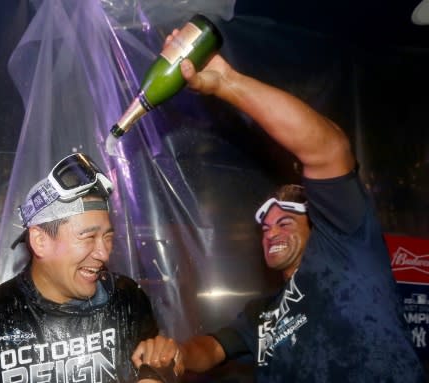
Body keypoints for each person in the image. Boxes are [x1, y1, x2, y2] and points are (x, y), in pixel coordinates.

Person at [131, 31, 426, 382]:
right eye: (266, 228)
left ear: (316, 227)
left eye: (285, 223)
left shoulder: (346, 250)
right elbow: (209, 350)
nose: (271, 232)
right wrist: (176, 354)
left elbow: (329, 149)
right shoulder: (262, 313)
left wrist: (226, 83)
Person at [0, 153, 168, 383]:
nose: (103, 253)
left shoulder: (127, 300)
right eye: (88, 236)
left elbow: (157, 363)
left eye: (107, 236)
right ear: (40, 241)